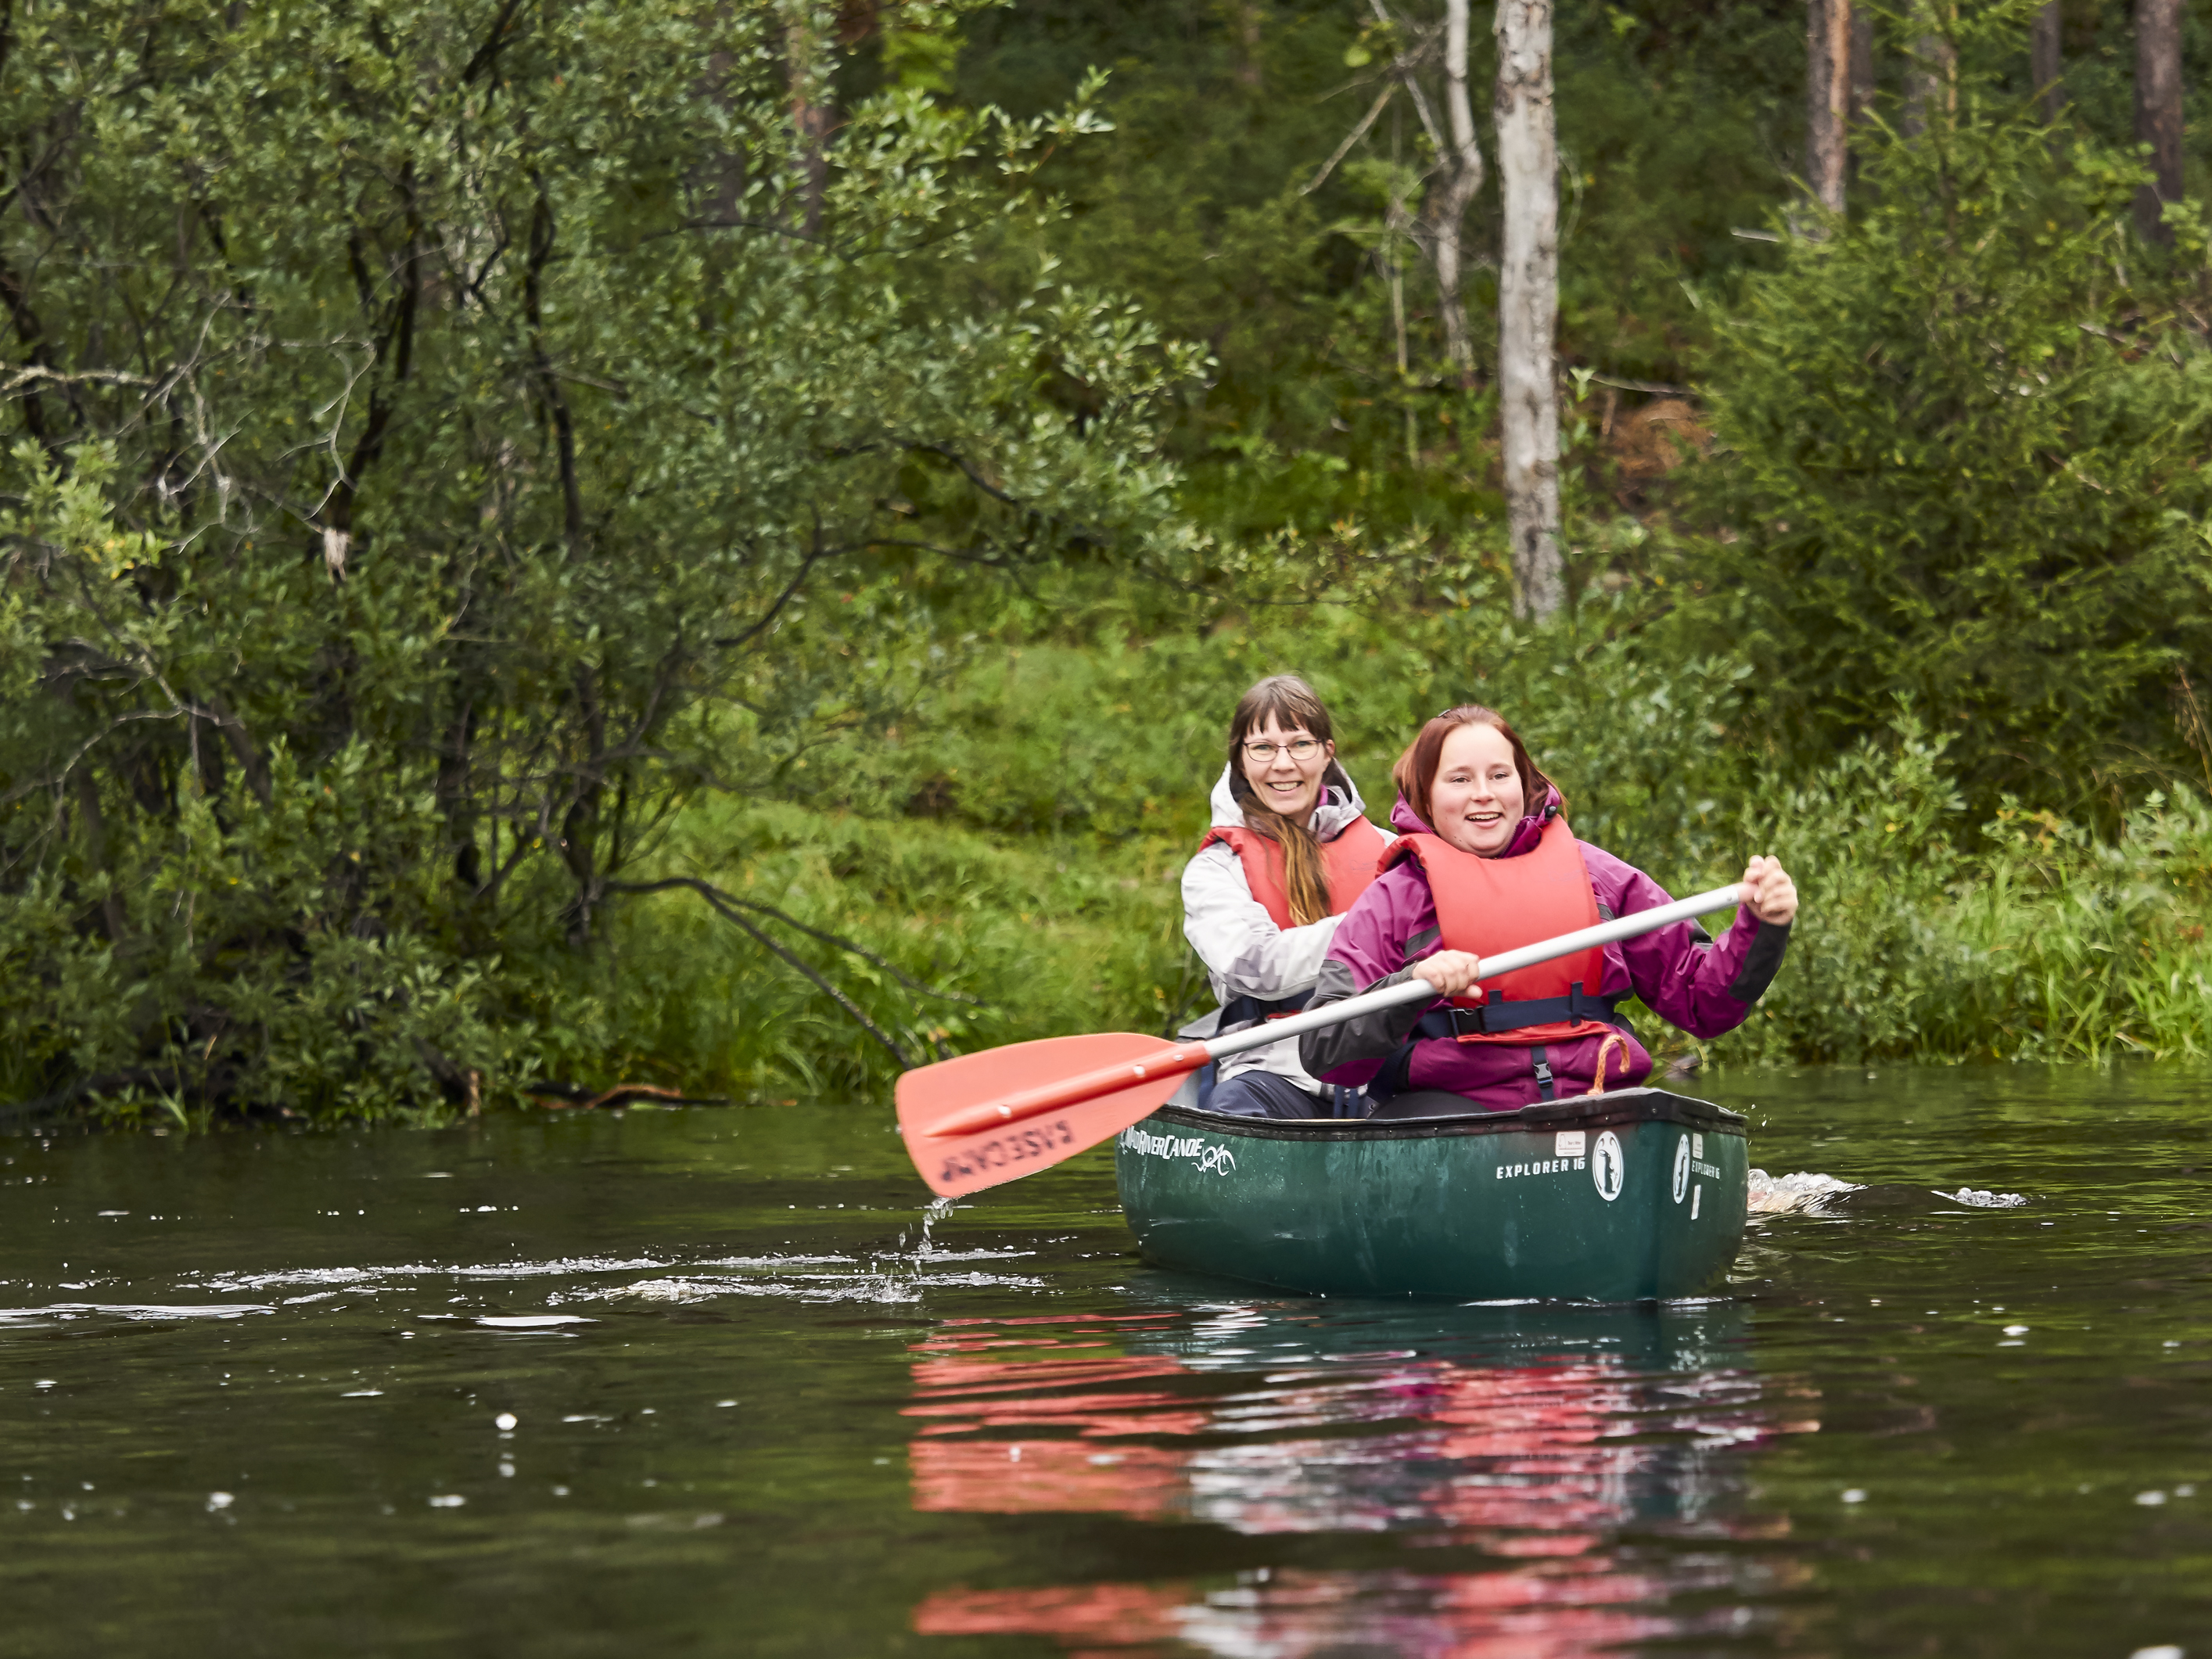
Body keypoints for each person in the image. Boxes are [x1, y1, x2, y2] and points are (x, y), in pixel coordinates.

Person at [1298, 705, 1797, 1115]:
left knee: (1653, 1111)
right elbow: (1325, 1051)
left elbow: (1703, 1002)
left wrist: (1762, 927)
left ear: (1524, 784)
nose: (1484, 795)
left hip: (1596, 1096)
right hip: (1452, 1111)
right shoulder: (1394, 900)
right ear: (1426, 796)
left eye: (1500, 775)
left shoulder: (1599, 877)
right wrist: (1409, 986)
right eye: (1459, 779)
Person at [1181, 675, 1394, 1118]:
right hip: (1274, 1072)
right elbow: (1253, 967)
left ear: (1326, 753)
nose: (1283, 764)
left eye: (1299, 744)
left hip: (1384, 1067)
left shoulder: (1389, 850)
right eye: (1263, 748)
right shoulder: (1215, 869)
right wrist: (1370, 926)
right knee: (1236, 1106)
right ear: (1241, 760)